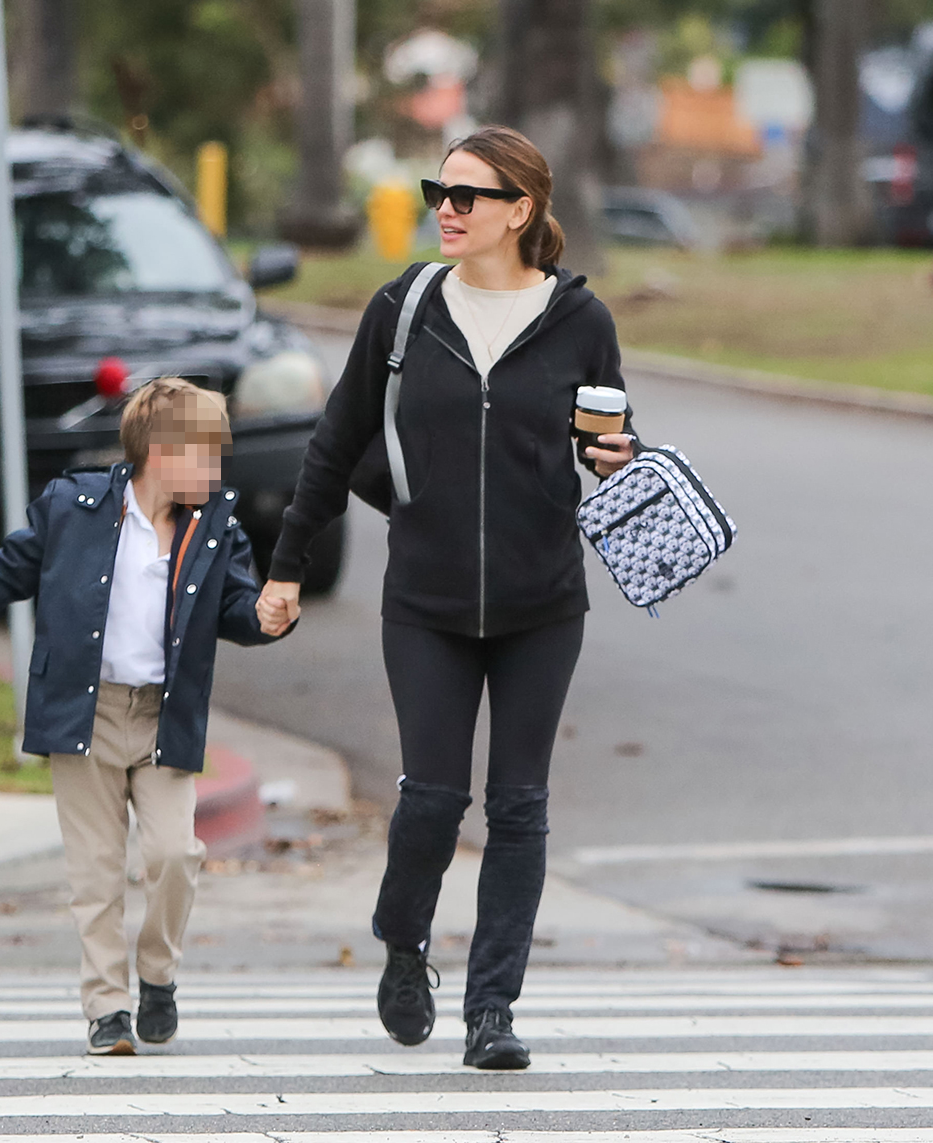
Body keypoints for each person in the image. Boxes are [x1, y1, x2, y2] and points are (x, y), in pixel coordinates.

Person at [258, 126, 638, 1070]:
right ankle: (403, 942)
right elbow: (335, 440)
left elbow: (611, 432)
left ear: (522, 211)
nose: (447, 210)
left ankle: (492, 1010)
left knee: (519, 805)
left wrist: (614, 453)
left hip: (543, 602)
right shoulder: (404, 307)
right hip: (424, 598)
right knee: (432, 796)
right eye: (440, 191)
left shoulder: (580, 321)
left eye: (468, 195)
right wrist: (287, 561)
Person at [0, 378, 292, 1055]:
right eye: (206, 456)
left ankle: (157, 974)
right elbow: (0, 573)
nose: (218, 473)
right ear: (161, 452)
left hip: (163, 716)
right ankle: (107, 1006)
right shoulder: (73, 507)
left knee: (172, 854)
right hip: (86, 710)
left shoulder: (217, 527)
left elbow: (240, 612)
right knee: (96, 869)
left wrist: (269, 617)